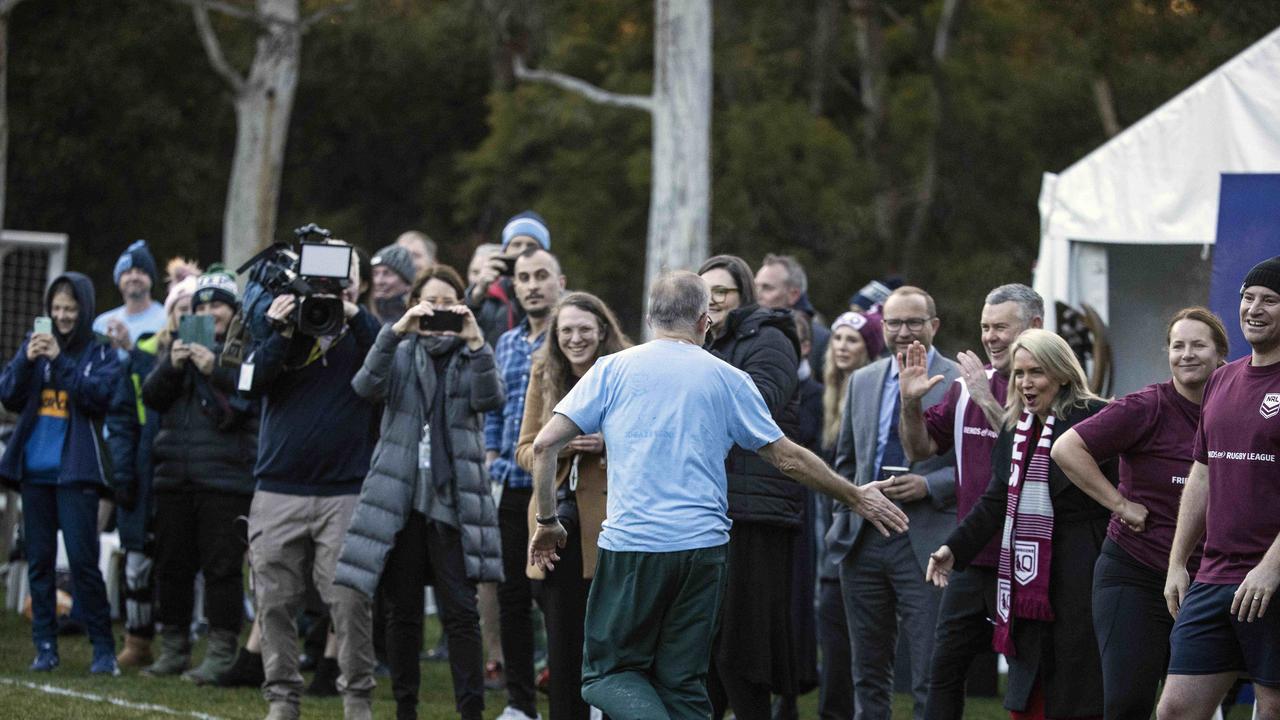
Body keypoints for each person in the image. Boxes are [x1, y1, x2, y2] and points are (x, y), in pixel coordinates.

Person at [525, 270, 909, 720]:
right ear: (705, 321)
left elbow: (544, 444)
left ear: (651, 319)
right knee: (684, 682)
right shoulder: (728, 379)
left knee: (605, 675)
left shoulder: (612, 369)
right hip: (704, 551)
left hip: (633, 549)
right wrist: (854, 496)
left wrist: (548, 522)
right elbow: (787, 456)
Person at [335, 264, 505, 720]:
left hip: (453, 499)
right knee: (403, 612)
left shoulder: (472, 352)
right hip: (402, 499)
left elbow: (492, 399)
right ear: (415, 304)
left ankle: (471, 711)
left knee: (461, 613)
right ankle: (405, 709)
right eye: (431, 301)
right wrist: (395, 331)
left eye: (450, 301)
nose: (441, 309)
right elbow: (365, 386)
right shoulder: (401, 348)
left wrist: (476, 341)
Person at [1050, 307, 1228, 720]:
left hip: (1211, 577)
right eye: (1178, 345)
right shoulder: (1147, 406)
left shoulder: (1236, 407)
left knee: (1193, 707)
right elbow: (1067, 449)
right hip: (1137, 573)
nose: (1187, 354)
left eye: (1198, 345)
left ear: (1221, 354)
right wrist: (1119, 504)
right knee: (1129, 702)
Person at [926, 328, 1112, 719]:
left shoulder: (1095, 419)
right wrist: (953, 548)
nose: (1026, 383)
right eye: (1019, 374)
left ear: (1062, 373)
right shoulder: (1017, 428)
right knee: (1031, 682)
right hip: (1029, 575)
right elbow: (995, 500)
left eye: (1037, 372)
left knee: (1079, 680)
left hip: (1084, 565)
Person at [240, 240, 380, 720]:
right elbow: (246, 386)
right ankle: (281, 701)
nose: (336, 285)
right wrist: (279, 331)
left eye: (347, 275)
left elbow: (389, 373)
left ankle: (358, 701)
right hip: (278, 489)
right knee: (274, 602)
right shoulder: (282, 326)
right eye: (325, 277)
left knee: (349, 602)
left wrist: (352, 314)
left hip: (343, 491)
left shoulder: (367, 331)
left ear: (360, 282)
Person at [897, 283, 1043, 720]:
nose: (990, 337)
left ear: (1034, 327)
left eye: (1002, 327)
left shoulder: (1052, 388)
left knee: (1029, 679)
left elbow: (1036, 457)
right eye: (985, 327)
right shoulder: (962, 391)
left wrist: (986, 396)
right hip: (969, 557)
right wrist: (910, 402)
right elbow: (919, 449)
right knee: (942, 671)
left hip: (1029, 562)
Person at [826, 286, 959, 720]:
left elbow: (980, 469)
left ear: (933, 326)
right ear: (881, 328)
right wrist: (850, 505)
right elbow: (845, 461)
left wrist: (930, 486)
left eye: (914, 323)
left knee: (927, 670)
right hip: (863, 539)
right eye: (895, 323)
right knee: (867, 669)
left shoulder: (958, 382)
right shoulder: (863, 381)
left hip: (925, 542)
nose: (904, 332)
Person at [1157, 256, 1280, 720]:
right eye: (1248, 298)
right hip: (1214, 577)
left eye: (1270, 299)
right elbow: (1202, 473)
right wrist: (1176, 562)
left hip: (1273, 579)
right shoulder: (1223, 379)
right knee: (1175, 710)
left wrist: (1271, 568)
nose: (1255, 308)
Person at [697, 254, 805, 720]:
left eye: (722, 291)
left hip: (754, 515)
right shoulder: (700, 346)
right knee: (706, 649)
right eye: (703, 293)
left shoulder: (771, 339)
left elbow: (755, 408)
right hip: (707, 512)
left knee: (741, 654)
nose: (713, 300)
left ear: (744, 294)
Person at [140, 266, 259, 684]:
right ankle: (174, 649)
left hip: (225, 481)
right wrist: (172, 365)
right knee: (171, 567)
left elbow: (252, 400)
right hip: (173, 475)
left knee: (221, 570)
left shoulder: (247, 351)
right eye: (201, 306)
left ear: (234, 312)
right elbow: (151, 397)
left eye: (217, 306)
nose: (209, 313)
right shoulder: (176, 346)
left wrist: (215, 370)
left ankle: (221, 652)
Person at [516, 292, 631, 720]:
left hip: (615, 527)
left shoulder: (625, 371)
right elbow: (526, 450)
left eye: (585, 329)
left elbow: (648, 441)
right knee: (563, 650)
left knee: (618, 650)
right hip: (556, 527)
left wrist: (607, 443)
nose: (576, 338)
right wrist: (560, 446)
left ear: (603, 330)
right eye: (566, 330)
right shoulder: (543, 371)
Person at [0, 272, 121, 675]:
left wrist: (59, 360)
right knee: (39, 563)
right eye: (56, 309)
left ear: (84, 309)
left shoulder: (100, 352)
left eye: (70, 308)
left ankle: (103, 648)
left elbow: (97, 397)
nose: (63, 316)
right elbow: (9, 394)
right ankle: (45, 646)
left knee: (84, 563)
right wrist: (25, 358)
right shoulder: (35, 348)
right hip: (35, 475)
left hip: (77, 476)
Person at [487, 245, 566, 720]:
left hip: (558, 486)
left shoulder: (573, 334)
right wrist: (495, 458)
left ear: (560, 280)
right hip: (513, 486)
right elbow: (496, 410)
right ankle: (519, 704)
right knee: (513, 597)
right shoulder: (508, 342)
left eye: (542, 275)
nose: (533, 284)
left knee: (556, 598)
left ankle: (570, 698)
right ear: (514, 286)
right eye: (524, 277)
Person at [106, 277, 199, 668]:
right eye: (181, 308)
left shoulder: (214, 359)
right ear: (169, 313)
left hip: (188, 474)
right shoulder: (143, 354)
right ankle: (137, 638)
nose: (188, 316)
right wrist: (122, 473)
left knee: (179, 563)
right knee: (137, 563)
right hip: (145, 473)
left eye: (196, 310)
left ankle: (181, 639)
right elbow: (124, 416)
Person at [813, 309, 883, 720]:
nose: (841, 346)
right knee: (831, 626)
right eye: (837, 338)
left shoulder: (874, 396)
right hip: (826, 522)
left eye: (852, 340)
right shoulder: (821, 395)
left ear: (868, 348)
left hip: (857, 524)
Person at [468, 211, 550, 348]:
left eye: (531, 245)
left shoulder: (554, 295)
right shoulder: (488, 297)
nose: (523, 251)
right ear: (504, 251)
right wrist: (476, 295)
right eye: (516, 244)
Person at [755, 254, 831, 376]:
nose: (757, 295)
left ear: (793, 295)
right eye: (755, 287)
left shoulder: (821, 340)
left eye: (767, 288)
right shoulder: (747, 332)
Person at [94, 239, 167, 353]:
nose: (134, 277)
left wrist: (129, 347)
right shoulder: (101, 323)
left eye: (141, 272)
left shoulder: (166, 320)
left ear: (151, 279)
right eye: (127, 272)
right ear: (118, 280)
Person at [369, 244, 418, 325]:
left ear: (407, 283)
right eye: (374, 273)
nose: (378, 281)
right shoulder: (360, 315)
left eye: (387, 273)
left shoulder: (414, 320)